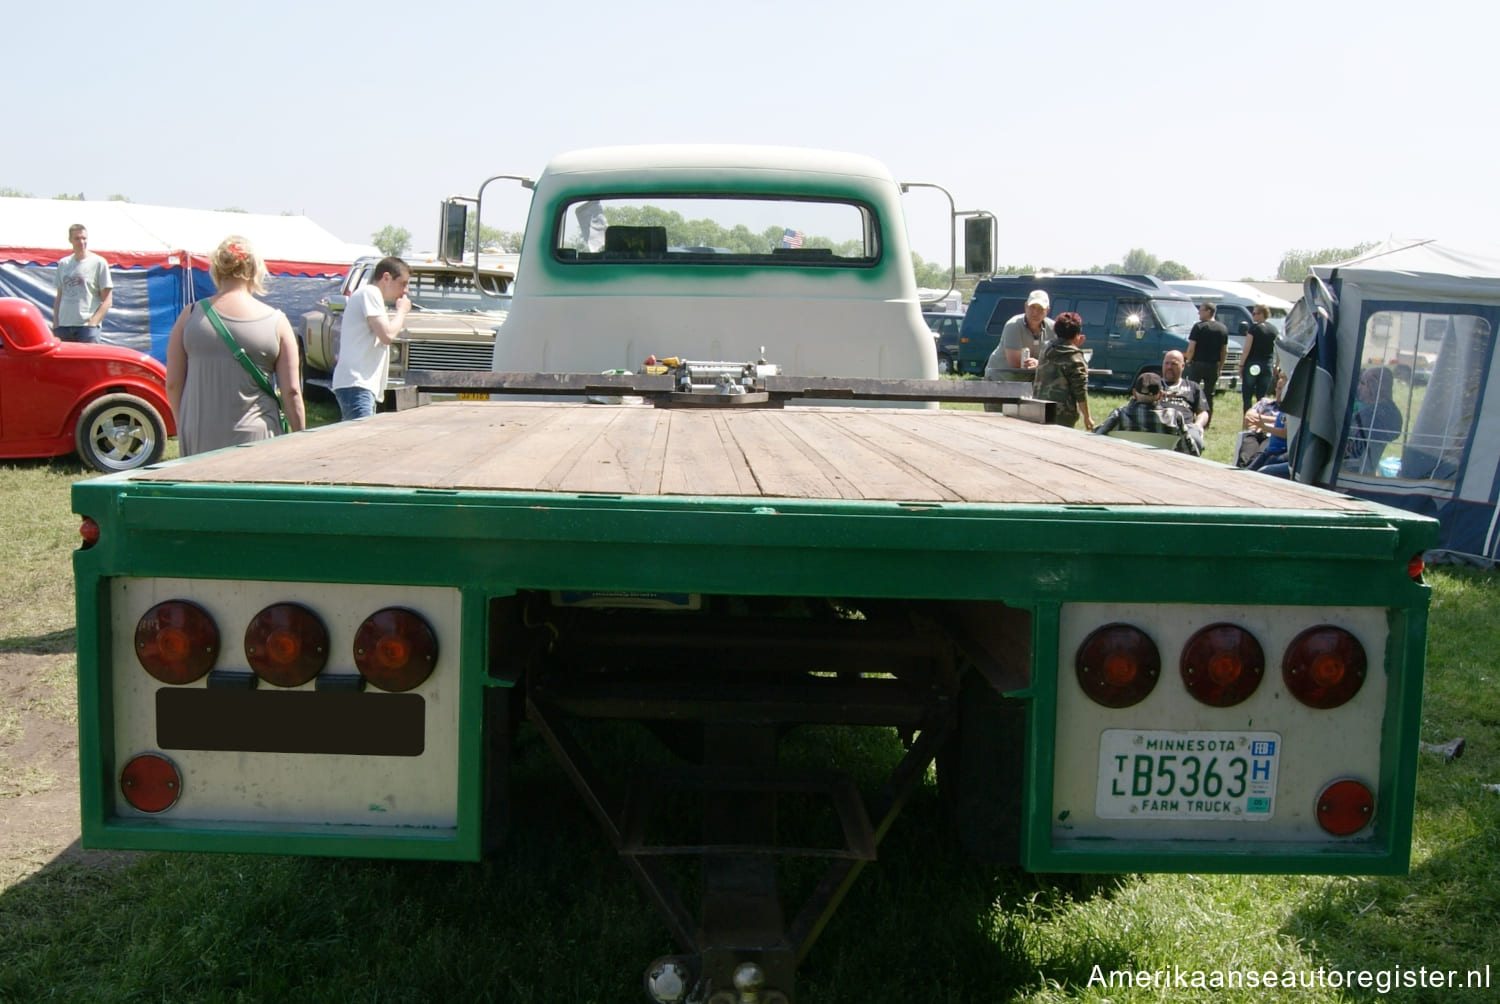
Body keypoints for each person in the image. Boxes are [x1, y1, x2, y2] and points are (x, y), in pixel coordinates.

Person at [166, 236, 306, 457]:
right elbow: (291, 391)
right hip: (257, 439)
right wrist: (300, 436)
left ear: (217, 269)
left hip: (199, 435)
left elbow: (173, 384)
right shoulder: (277, 322)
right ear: (255, 270)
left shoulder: (189, 315)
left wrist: (185, 423)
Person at [331, 256, 411, 420]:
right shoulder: (370, 293)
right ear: (386, 277)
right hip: (357, 384)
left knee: (355, 439)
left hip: (359, 385)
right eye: (403, 283)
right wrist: (402, 311)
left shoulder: (370, 296)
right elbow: (387, 335)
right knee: (360, 440)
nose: (406, 291)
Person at [1092, 371, 1197, 454]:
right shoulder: (1174, 417)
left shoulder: (1120, 414)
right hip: (1163, 471)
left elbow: (1096, 438)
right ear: (1160, 395)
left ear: (1134, 393)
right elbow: (1191, 452)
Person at [1030, 311, 1093, 430]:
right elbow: (1080, 390)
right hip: (1062, 413)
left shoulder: (1046, 348)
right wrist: (1087, 417)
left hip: (1039, 407)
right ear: (1076, 334)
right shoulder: (1075, 357)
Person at [52, 223, 113, 342]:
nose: (81, 242)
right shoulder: (64, 264)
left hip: (86, 328)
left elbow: (108, 300)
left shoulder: (98, 263)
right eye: (77, 238)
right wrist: (55, 323)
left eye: (84, 238)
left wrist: (93, 323)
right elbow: (59, 296)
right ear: (70, 240)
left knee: (89, 361)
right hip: (63, 327)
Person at [1344, 366, 1403, 474]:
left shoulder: (1375, 414)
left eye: (1363, 383)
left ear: (1374, 385)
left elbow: (1351, 451)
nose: (1358, 388)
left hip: (1353, 475)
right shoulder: (1389, 412)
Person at [984, 289, 1053, 377]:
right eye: (1032, 307)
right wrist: (1043, 365)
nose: (1035, 312)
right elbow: (1015, 363)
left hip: (1029, 380)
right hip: (1001, 378)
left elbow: (1058, 359)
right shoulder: (1013, 325)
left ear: (1047, 310)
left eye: (1040, 308)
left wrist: (1040, 364)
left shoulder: (1053, 328)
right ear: (1025, 306)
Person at [1159, 349, 1209, 455]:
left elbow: (1203, 412)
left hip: (1185, 427)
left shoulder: (1193, 387)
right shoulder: (1155, 384)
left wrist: (1198, 425)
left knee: (1196, 441)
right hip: (1159, 424)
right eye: (1166, 363)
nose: (1169, 367)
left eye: (1174, 364)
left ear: (1182, 366)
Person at [1184, 301, 1228, 422]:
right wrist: (1220, 367)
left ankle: (1190, 417)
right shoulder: (1222, 328)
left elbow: (1191, 347)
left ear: (1209, 312)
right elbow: (1224, 351)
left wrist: (1188, 360)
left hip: (1197, 364)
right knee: (1209, 395)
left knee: (1192, 392)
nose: (1199, 313)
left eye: (1201, 310)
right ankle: (1206, 421)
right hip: (1213, 365)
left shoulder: (1199, 327)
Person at [1239, 304, 1277, 415]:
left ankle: (1247, 419)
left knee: (1247, 394)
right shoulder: (1273, 329)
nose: (1253, 315)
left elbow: (1247, 347)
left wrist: (1241, 365)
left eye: (1255, 313)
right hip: (1267, 364)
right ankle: (1260, 419)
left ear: (1261, 314)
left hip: (1253, 364)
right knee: (1262, 396)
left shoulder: (1254, 328)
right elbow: (1278, 349)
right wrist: (1276, 364)